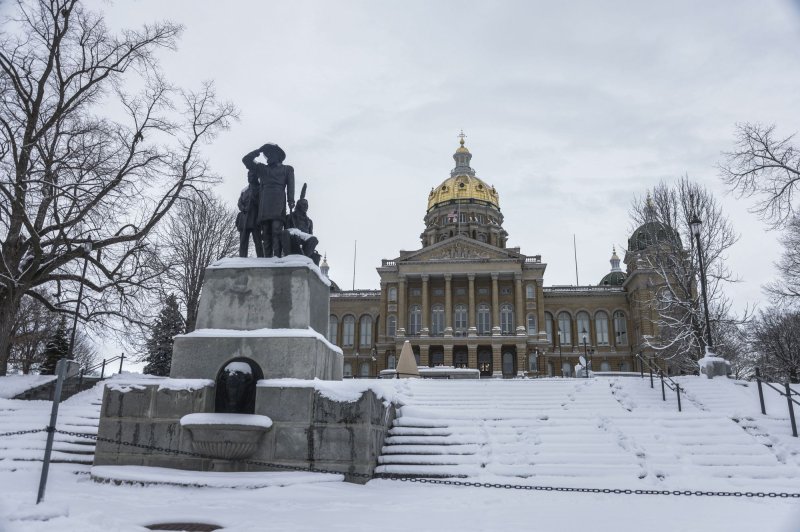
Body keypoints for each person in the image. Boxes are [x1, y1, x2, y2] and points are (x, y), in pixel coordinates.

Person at [242, 143, 295, 257]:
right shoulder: (262, 168)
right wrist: (258, 151)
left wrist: (291, 200)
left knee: (276, 230)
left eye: (270, 154)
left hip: (278, 202)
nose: (268, 157)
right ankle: (267, 259)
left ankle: (276, 257)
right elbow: (246, 160)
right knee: (265, 233)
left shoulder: (287, 169)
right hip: (264, 203)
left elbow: (291, 185)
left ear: (278, 155)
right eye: (266, 154)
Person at [281, 183, 320, 265]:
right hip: (293, 240)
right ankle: (288, 257)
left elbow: (310, 235)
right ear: (299, 206)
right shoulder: (290, 217)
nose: (306, 207)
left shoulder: (309, 221)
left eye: (307, 205)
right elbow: (286, 229)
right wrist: (295, 234)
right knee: (285, 233)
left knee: (314, 239)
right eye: (304, 205)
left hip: (304, 244)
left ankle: (304, 259)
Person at [236, 170, 263, 257]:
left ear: (256, 177)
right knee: (243, 241)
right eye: (248, 176)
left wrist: (254, 200)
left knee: (257, 240)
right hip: (244, 218)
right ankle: (242, 258)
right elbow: (239, 202)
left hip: (255, 217)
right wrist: (243, 208)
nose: (250, 177)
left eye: (252, 176)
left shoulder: (260, 188)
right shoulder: (244, 190)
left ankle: (261, 258)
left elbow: (262, 203)